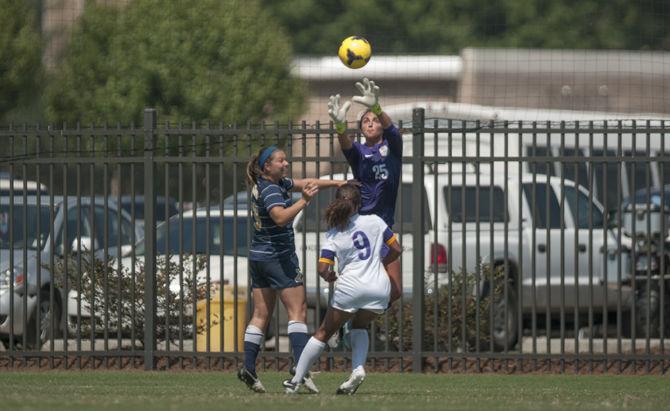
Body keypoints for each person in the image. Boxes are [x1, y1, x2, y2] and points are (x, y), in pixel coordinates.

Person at [237, 145, 347, 393]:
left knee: (261, 315)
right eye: (281, 161)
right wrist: (304, 202)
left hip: (259, 256)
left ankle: (249, 368)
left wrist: (337, 183)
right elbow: (279, 217)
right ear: (267, 166)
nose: (286, 164)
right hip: (278, 257)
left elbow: (305, 181)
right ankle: (301, 370)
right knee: (298, 310)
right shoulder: (272, 189)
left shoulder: (271, 183)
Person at [282, 183, 402, 395]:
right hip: (378, 288)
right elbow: (396, 249)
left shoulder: (335, 232)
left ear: (337, 203)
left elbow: (322, 268)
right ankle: (357, 369)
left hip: (350, 288)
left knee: (323, 332)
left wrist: (328, 275)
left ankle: (296, 380)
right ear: (359, 204)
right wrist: (382, 263)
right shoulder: (375, 220)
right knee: (359, 325)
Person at [327, 78, 403, 304]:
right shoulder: (359, 152)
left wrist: (378, 108)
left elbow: (394, 132)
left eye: (375, 120)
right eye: (365, 121)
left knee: (395, 291)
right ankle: (351, 320)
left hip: (384, 226)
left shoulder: (392, 150)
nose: (370, 123)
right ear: (360, 128)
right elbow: (346, 145)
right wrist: (340, 127)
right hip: (362, 226)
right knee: (363, 287)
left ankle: (358, 321)